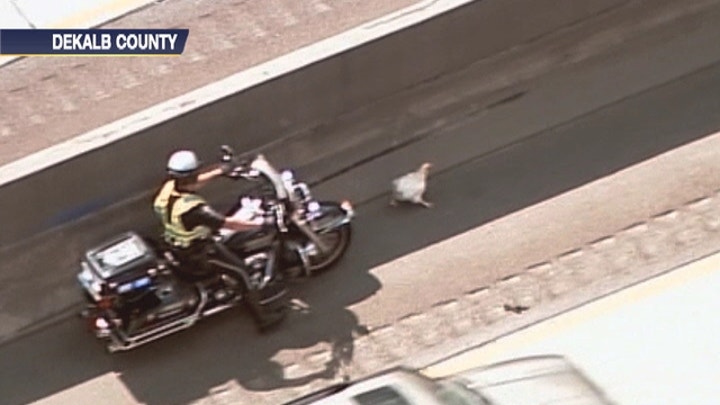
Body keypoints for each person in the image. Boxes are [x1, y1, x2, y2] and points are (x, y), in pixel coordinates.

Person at [153, 149, 286, 331]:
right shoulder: (193, 210)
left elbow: (194, 183)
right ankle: (263, 319)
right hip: (197, 254)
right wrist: (261, 223)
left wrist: (222, 170)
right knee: (242, 273)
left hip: (175, 246)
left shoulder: (169, 189)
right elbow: (229, 224)